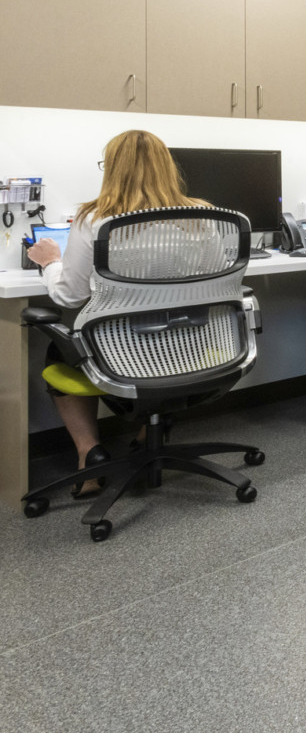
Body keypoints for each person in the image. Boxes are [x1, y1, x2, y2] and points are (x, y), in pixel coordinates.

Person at [25, 130, 211, 496]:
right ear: (168, 168)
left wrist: (50, 263)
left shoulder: (95, 218)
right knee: (159, 344)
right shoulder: (203, 215)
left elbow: (68, 295)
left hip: (122, 355)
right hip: (191, 349)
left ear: (111, 169)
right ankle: (150, 429)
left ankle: (89, 457)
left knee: (60, 347)